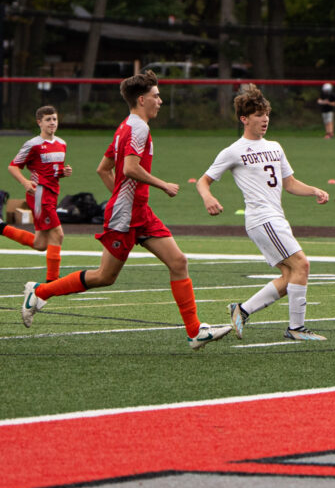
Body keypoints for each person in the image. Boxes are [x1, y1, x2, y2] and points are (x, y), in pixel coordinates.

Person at [20, 72, 232, 349]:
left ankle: (194, 332)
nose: (160, 101)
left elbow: (103, 169)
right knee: (104, 277)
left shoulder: (126, 127)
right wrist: (161, 185)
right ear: (142, 99)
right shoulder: (137, 129)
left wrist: (124, 196)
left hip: (139, 211)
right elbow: (130, 168)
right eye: (156, 96)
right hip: (126, 215)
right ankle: (39, 292)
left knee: (178, 262)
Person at [197, 83, 331, 341]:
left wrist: (314, 190)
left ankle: (242, 310)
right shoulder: (233, 151)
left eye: (266, 114)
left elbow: (289, 183)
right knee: (302, 264)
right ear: (244, 119)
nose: (264, 119)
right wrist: (208, 197)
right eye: (258, 115)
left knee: (291, 274)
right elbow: (203, 181)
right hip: (262, 219)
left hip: (276, 218)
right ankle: (296, 329)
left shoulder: (275, 147)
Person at [3, 105, 73, 283]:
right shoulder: (32, 144)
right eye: (48, 119)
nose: (52, 123)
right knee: (58, 234)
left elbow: (52, 171)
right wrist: (25, 182)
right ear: (39, 122)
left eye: (54, 119)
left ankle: (1, 228)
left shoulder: (62, 144)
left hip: (52, 193)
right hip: (39, 194)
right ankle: (52, 281)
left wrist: (62, 172)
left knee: (40, 244)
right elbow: (13, 166)